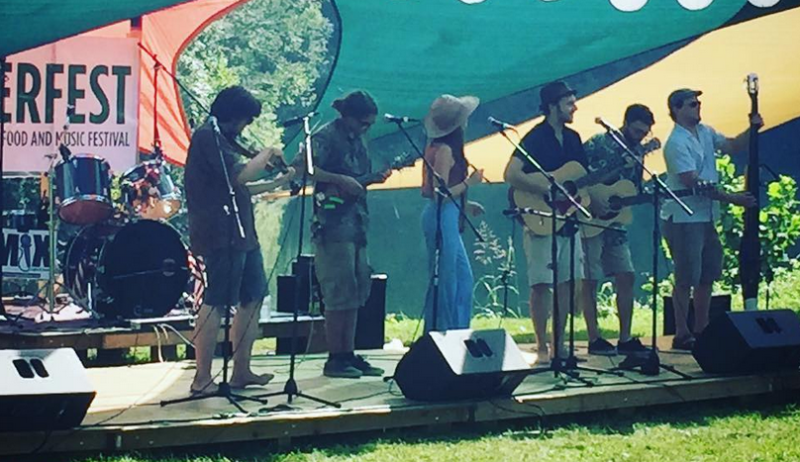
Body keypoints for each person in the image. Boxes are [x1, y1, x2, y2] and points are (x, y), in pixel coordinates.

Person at [184, 86, 293, 395]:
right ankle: (201, 377)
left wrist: (277, 180)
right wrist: (268, 152)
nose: (245, 128)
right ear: (232, 116)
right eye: (245, 121)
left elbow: (243, 188)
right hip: (219, 233)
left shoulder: (225, 141)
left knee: (253, 297)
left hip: (243, 233)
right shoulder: (207, 138)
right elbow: (239, 176)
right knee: (216, 301)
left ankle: (241, 371)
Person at [662, 88, 759, 350]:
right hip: (683, 217)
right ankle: (682, 333)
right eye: (692, 104)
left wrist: (752, 129)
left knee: (707, 273)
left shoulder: (705, 131)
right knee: (686, 276)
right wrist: (733, 198)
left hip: (705, 216)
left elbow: (732, 146)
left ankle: (701, 329)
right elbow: (693, 183)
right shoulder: (675, 143)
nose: (698, 106)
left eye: (698, 102)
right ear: (677, 109)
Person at [307, 90, 390, 379]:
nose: (366, 129)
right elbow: (303, 168)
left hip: (357, 224)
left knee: (355, 290)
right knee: (337, 291)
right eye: (363, 123)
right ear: (349, 116)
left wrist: (371, 179)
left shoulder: (360, 139)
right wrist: (338, 179)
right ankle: (334, 357)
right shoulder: (326, 135)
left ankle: (348, 353)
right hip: (331, 224)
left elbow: (357, 181)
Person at [503, 81, 586, 363]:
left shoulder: (574, 139)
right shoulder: (535, 137)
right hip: (539, 218)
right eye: (568, 102)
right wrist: (544, 188)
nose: (575, 106)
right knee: (541, 284)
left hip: (568, 221)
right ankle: (540, 347)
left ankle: (559, 346)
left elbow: (580, 180)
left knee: (567, 283)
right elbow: (511, 174)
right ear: (552, 106)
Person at [581, 104, 657, 356]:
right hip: (589, 217)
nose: (641, 135)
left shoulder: (638, 151)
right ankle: (594, 338)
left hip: (616, 223)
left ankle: (625, 338)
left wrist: (645, 195)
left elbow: (629, 187)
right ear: (626, 123)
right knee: (590, 279)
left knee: (626, 274)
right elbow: (580, 178)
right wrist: (594, 200)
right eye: (637, 130)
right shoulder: (598, 143)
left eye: (644, 132)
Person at [420, 95, 485, 332]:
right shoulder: (445, 150)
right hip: (440, 218)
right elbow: (439, 194)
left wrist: (466, 205)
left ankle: (457, 331)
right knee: (447, 281)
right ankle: (442, 333)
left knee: (462, 278)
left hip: (446, 213)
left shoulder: (437, 147)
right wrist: (470, 183)